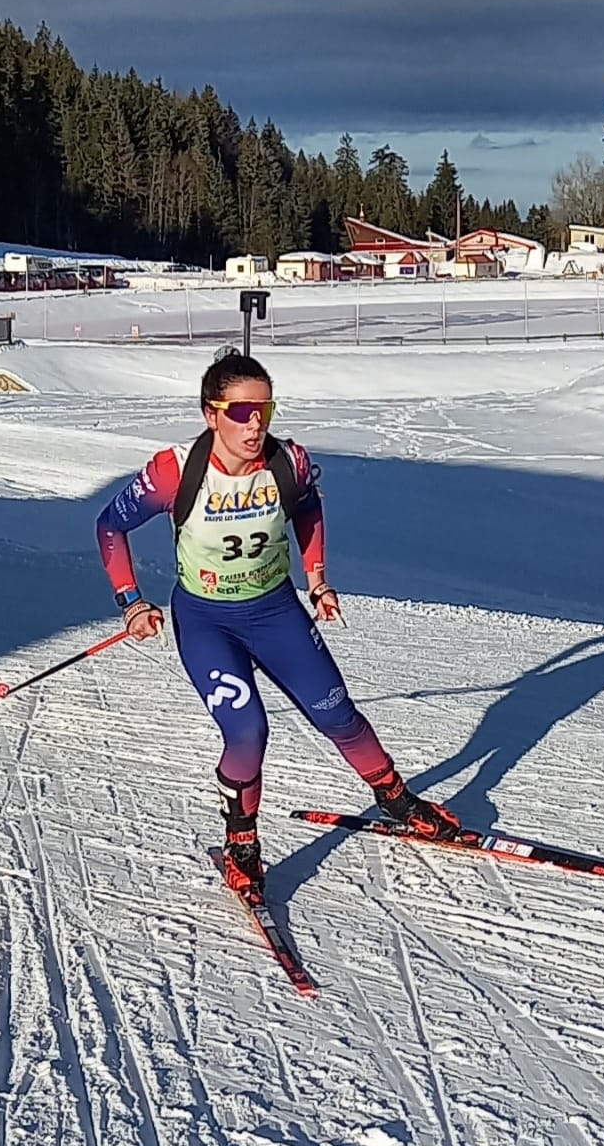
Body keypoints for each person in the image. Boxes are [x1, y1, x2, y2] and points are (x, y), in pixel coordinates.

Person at [94, 352, 460, 902]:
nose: (255, 422)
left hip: (277, 611)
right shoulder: (174, 470)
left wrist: (317, 579)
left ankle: (396, 800)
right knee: (248, 731)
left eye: (264, 407)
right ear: (210, 414)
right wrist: (131, 602)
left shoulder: (289, 460)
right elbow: (109, 526)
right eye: (240, 410)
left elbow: (308, 509)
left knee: (337, 713)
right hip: (207, 619)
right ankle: (243, 844)